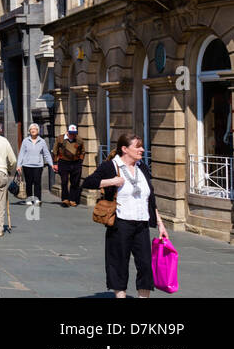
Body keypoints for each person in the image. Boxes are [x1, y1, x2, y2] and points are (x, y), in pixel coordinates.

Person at [83, 133, 169, 298]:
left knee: (145, 265)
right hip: (120, 223)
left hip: (142, 224)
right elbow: (88, 182)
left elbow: (150, 198)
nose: (142, 149)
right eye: (137, 146)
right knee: (119, 264)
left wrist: (160, 223)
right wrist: (111, 182)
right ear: (124, 149)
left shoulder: (142, 167)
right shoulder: (111, 166)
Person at [17, 123, 54, 205]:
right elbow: (21, 154)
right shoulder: (25, 141)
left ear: (38, 131)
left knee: (37, 183)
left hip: (38, 165)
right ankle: (29, 199)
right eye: (31, 129)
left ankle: (37, 199)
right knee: (29, 183)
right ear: (29, 131)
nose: (33, 130)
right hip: (27, 165)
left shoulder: (42, 141)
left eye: (35, 129)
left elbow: (46, 154)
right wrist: (18, 165)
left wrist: (51, 164)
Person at [53, 124, 86, 207]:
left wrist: (80, 161)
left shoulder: (79, 140)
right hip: (63, 162)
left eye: (74, 133)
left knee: (75, 181)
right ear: (67, 132)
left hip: (76, 162)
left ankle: (72, 199)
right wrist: (55, 163)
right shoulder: (60, 138)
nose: (72, 135)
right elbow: (55, 151)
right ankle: (65, 199)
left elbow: (83, 151)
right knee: (64, 181)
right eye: (71, 133)